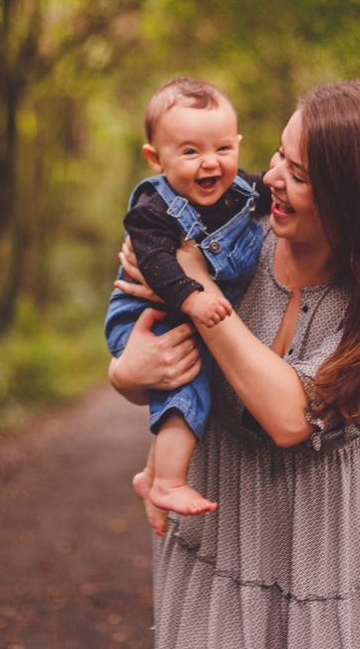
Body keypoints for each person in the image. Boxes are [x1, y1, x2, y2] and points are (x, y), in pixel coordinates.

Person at [108, 78, 360, 648]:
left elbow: (292, 417)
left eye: (301, 174)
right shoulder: (236, 242)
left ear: (356, 197)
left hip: (325, 552)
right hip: (218, 533)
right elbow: (155, 342)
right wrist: (127, 376)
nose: (272, 179)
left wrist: (198, 285)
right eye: (279, 155)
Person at [104, 77, 272, 534]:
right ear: (156, 158)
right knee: (187, 385)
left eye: (222, 148)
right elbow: (155, 263)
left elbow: (276, 191)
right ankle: (170, 483)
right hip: (145, 314)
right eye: (190, 152)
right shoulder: (151, 208)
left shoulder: (242, 189)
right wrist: (194, 298)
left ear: (237, 145)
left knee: (187, 381)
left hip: (185, 309)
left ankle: (151, 476)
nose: (211, 164)